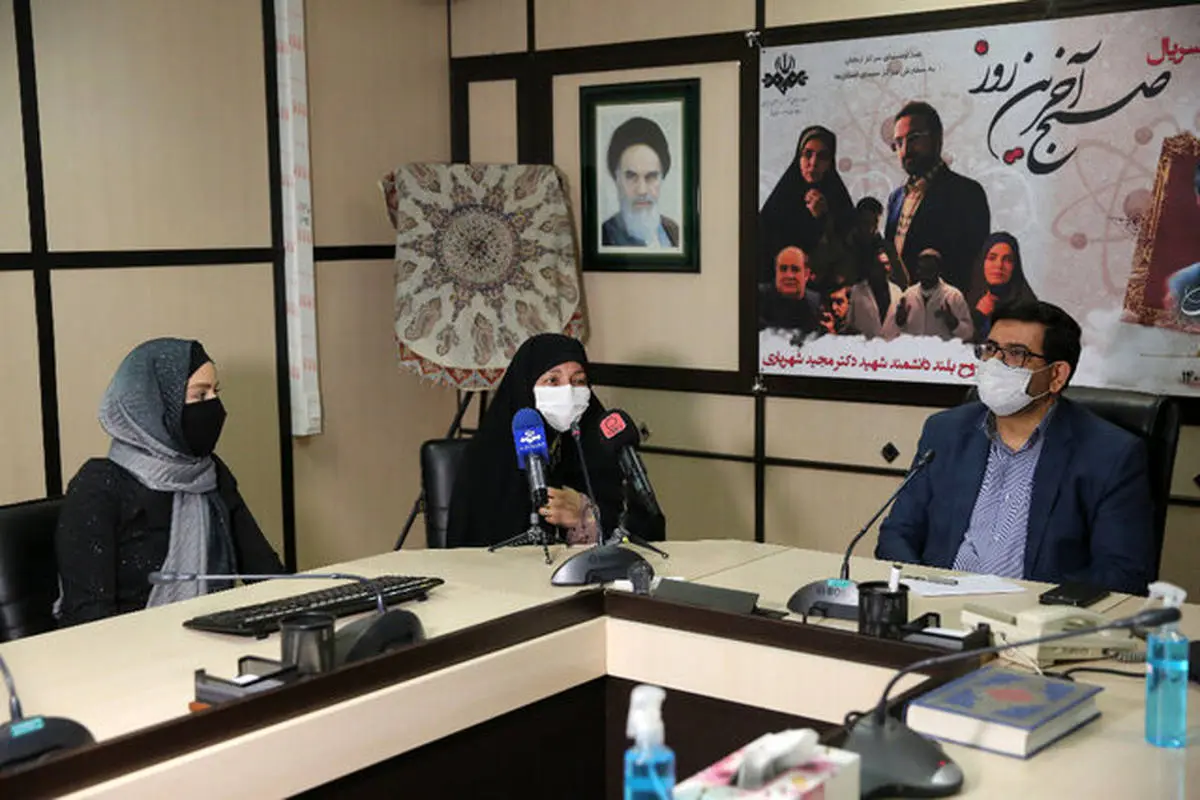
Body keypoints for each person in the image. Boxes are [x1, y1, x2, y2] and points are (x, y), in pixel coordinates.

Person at [875, 300, 1155, 594]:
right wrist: (918, 591)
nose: (995, 363)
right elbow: (897, 533)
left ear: (1056, 375)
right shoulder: (945, 432)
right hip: (937, 603)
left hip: (1036, 614)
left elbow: (1124, 572)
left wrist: (1037, 610)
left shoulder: (1110, 454)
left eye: (1016, 353)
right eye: (991, 349)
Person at [55, 339, 285, 626]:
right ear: (156, 404)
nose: (214, 406)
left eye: (216, 392)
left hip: (215, 635)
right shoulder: (99, 485)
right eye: (199, 395)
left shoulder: (210, 473)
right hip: (133, 647)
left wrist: (306, 610)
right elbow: (89, 619)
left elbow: (265, 573)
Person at [446, 333, 666, 549]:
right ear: (525, 386)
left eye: (578, 381)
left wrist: (586, 516)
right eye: (553, 380)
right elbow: (476, 544)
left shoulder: (601, 443)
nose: (568, 391)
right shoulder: (488, 455)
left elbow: (643, 532)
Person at [884, 101, 990, 294]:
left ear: (937, 138)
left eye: (914, 138)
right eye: (898, 142)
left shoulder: (967, 193)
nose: (905, 150)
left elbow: (974, 269)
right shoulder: (895, 199)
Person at [759, 125, 856, 286]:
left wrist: (824, 219)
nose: (813, 163)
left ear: (830, 162)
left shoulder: (839, 202)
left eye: (822, 156)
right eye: (807, 154)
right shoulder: (780, 200)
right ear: (799, 158)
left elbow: (848, 257)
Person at [601, 117, 679, 248]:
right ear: (617, 179)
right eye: (631, 176)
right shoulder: (604, 237)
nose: (642, 190)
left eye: (651, 177)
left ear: (662, 178)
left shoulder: (674, 232)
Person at [882, 248, 974, 340]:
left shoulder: (953, 296)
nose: (925, 274)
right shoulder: (907, 296)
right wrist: (899, 323)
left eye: (930, 270)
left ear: (939, 271)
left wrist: (955, 325)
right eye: (922, 269)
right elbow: (888, 333)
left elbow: (969, 333)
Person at [967, 232, 1037, 341]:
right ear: (982, 263)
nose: (999, 265)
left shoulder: (1028, 307)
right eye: (992, 258)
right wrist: (978, 316)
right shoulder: (967, 301)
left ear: (1015, 267)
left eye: (1007, 260)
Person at [845, 240, 902, 338]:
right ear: (871, 267)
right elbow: (850, 324)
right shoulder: (857, 291)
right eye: (879, 265)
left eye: (886, 264)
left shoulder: (897, 292)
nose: (884, 269)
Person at [759, 245, 821, 334]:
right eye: (783, 269)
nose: (789, 275)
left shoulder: (817, 304)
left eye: (795, 269)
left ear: (806, 274)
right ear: (776, 272)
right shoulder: (758, 297)